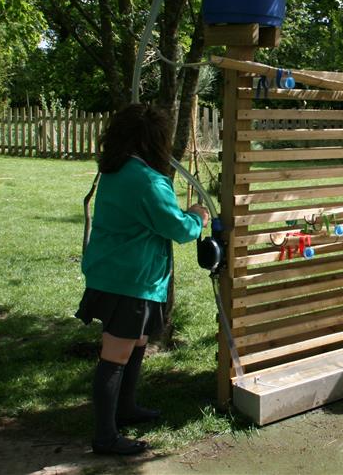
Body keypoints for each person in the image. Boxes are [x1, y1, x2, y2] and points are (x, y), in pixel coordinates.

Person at [75, 104, 210, 455]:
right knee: (115, 353)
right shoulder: (147, 181)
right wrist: (197, 217)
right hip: (128, 281)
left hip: (116, 274)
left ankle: (127, 407)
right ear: (155, 140)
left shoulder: (116, 170)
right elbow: (176, 228)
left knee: (134, 344)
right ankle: (105, 437)